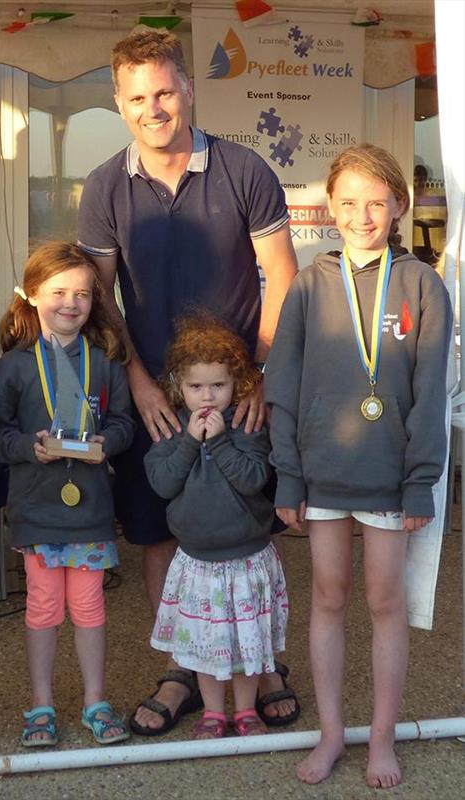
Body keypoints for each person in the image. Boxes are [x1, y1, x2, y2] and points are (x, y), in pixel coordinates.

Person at [77, 28, 299, 734]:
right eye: (137, 96)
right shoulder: (104, 186)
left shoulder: (244, 170)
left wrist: (258, 372)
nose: (154, 107)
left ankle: (260, 664)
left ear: (188, 89)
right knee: (157, 532)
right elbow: (100, 299)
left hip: (236, 392)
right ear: (118, 102)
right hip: (155, 400)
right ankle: (182, 667)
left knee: (247, 530)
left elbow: (283, 280)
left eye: (164, 91)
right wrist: (138, 381)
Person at [265, 144, 452, 788]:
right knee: (327, 597)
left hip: (390, 479)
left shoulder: (422, 284)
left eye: (376, 202)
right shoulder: (312, 284)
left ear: (399, 206)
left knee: (384, 600)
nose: (362, 215)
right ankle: (331, 735)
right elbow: (282, 384)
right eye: (348, 202)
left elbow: (432, 393)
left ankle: (380, 740)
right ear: (330, 207)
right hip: (321, 476)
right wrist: (287, 473)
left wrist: (420, 482)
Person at [0, 242, 134, 747]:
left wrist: (105, 442)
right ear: (31, 295)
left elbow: (123, 425)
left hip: (89, 511)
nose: (71, 304)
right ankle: (41, 705)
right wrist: (31, 447)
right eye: (58, 293)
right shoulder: (14, 367)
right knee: (44, 607)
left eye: (83, 295)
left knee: (90, 607)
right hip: (37, 510)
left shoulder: (105, 361)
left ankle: (96, 701)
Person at [144, 316, 289, 740]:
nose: (207, 397)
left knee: (246, 645)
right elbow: (163, 483)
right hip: (198, 565)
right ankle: (212, 712)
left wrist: (220, 440)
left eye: (218, 386)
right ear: (177, 386)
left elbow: (252, 479)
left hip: (246, 560)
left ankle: (244, 711)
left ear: (236, 384)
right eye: (196, 387)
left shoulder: (247, 428)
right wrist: (192, 441)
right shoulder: (171, 433)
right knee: (205, 645)